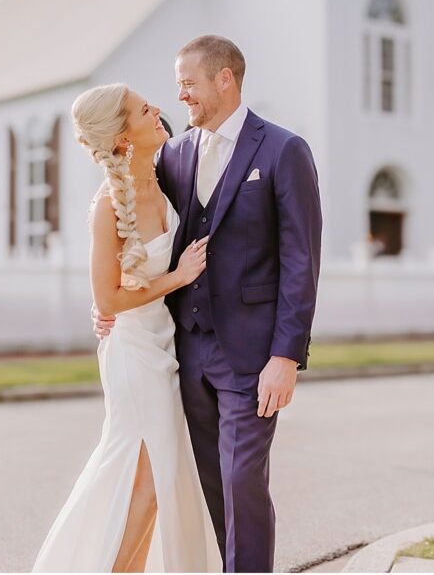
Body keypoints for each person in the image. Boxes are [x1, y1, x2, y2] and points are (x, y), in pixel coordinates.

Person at [93, 35, 323, 572]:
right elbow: (136, 237)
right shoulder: (173, 155)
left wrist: (285, 357)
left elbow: (301, 262)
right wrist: (110, 303)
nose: (182, 98)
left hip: (252, 355)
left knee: (243, 480)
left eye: (189, 84)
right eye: (178, 87)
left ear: (225, 79)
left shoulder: (284, 151)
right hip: (184, 355)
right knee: (210, 484)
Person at [32, 83, 222, 572]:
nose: (157, 107)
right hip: (134, 354)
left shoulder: (163, 177)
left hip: (163, 343)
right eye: (143, 109)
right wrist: (176, 276)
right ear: (122, 138)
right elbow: (108, 298)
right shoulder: (107, 208)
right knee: (151, 482)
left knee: (155, 483)